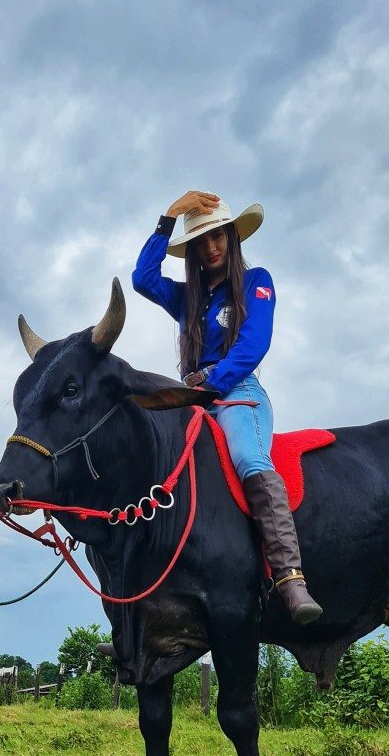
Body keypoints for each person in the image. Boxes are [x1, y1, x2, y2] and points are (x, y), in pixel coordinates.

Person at [132, 191, 322, 624]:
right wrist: (168, 216)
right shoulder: (186, 298)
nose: (212, 247)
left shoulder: (257, 281)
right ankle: (146, 603)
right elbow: (142, 278)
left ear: (232, 237)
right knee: (153, 459)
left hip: (237, 392)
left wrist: (211, 384)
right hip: (193, 399)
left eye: (218, 236)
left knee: (248, 456)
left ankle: (290, 577)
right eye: (201, 241)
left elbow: (254, 344)